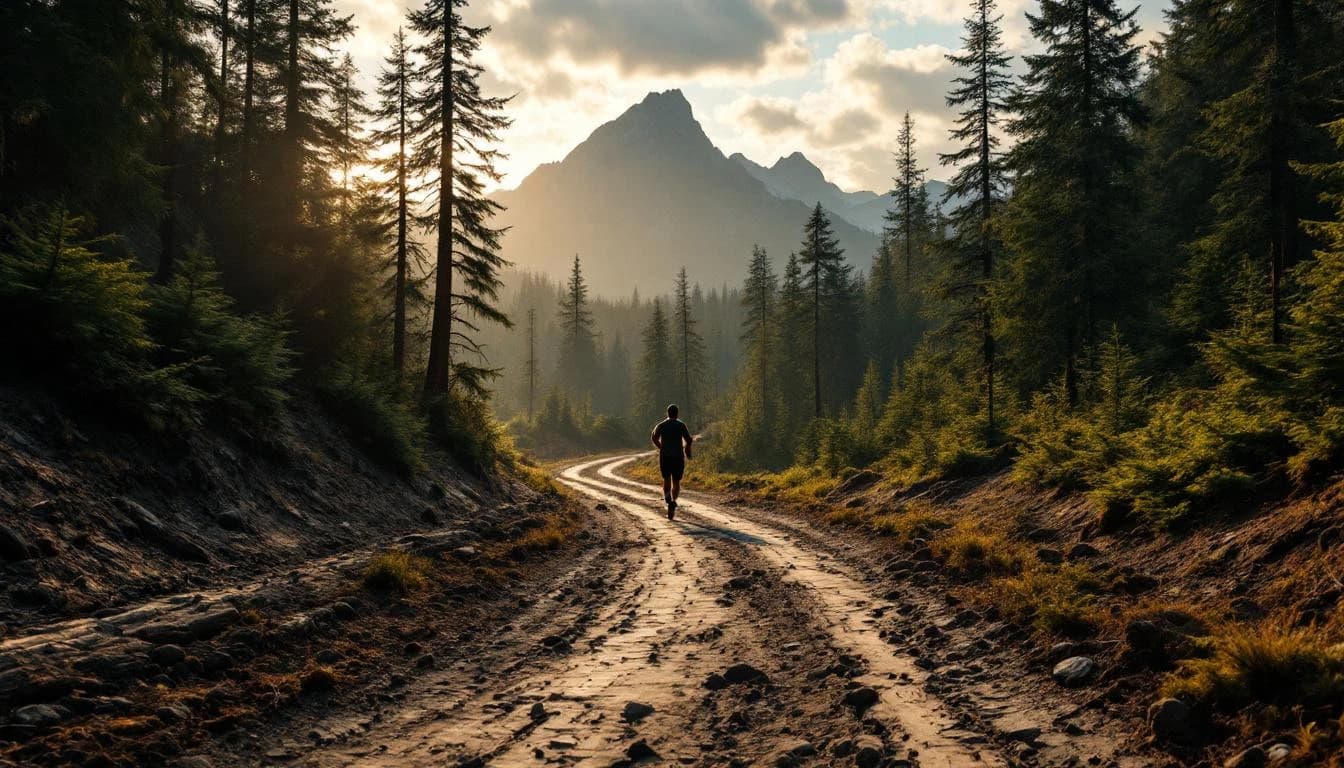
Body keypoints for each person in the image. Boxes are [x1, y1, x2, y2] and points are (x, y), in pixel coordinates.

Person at [651, 404, 693, 520]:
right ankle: (673, 501)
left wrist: (660, 447)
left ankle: (669, 501)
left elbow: (654, 437)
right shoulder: (681, 425)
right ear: (677, 413)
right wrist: (687, 450)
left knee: (666, 479)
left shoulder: (662, 425)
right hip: (678, 457)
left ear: (667, 413)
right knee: (676, 481)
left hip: (665, 456)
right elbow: (689, 440)